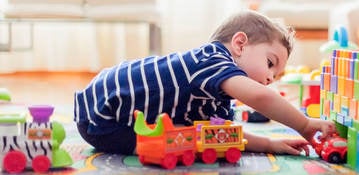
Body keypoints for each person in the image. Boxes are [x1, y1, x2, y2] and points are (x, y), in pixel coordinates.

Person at [74, 10, 336, 155]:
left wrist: (269, 144)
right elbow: (261, 97)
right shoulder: (211, 59)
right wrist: (303, 124)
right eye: (270, 63)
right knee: (181, 143)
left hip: (110, 114)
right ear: (240, 44)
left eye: (275, 75)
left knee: (201, 137)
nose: (270, 78)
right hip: (106, 117)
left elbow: (221, 135)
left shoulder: (214, 93)